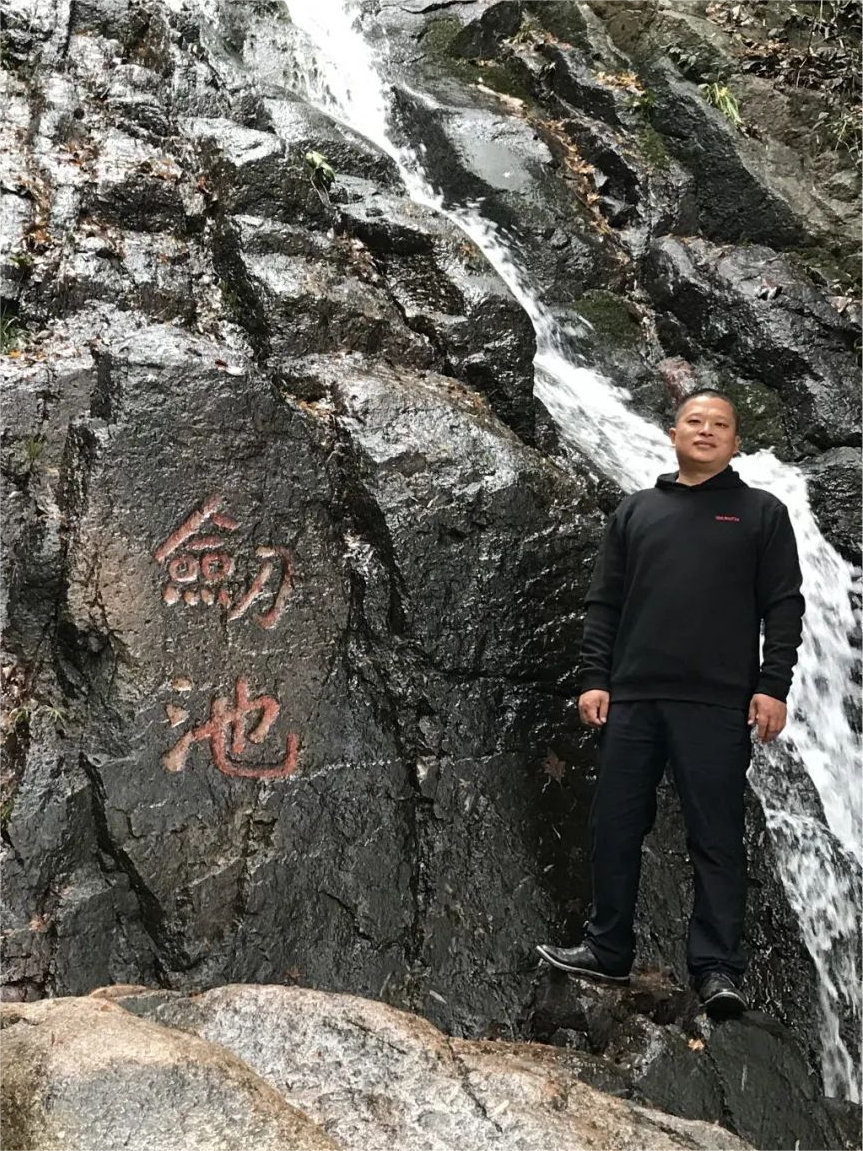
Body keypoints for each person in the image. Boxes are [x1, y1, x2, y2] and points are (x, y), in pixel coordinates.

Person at [537, 389, 805, 1018]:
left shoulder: (762, 513)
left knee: (716, 835)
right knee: (614, 825)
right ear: (673, 432)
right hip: (632, 697)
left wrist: (773, 685)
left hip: (717, 703)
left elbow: (783, 606)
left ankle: (717, 969)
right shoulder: (636, 511)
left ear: (736, 442)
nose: (706, 430)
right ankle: (607, 948)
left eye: (720, 424)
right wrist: (594, 678)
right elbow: (604, 602)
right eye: (695, 421)